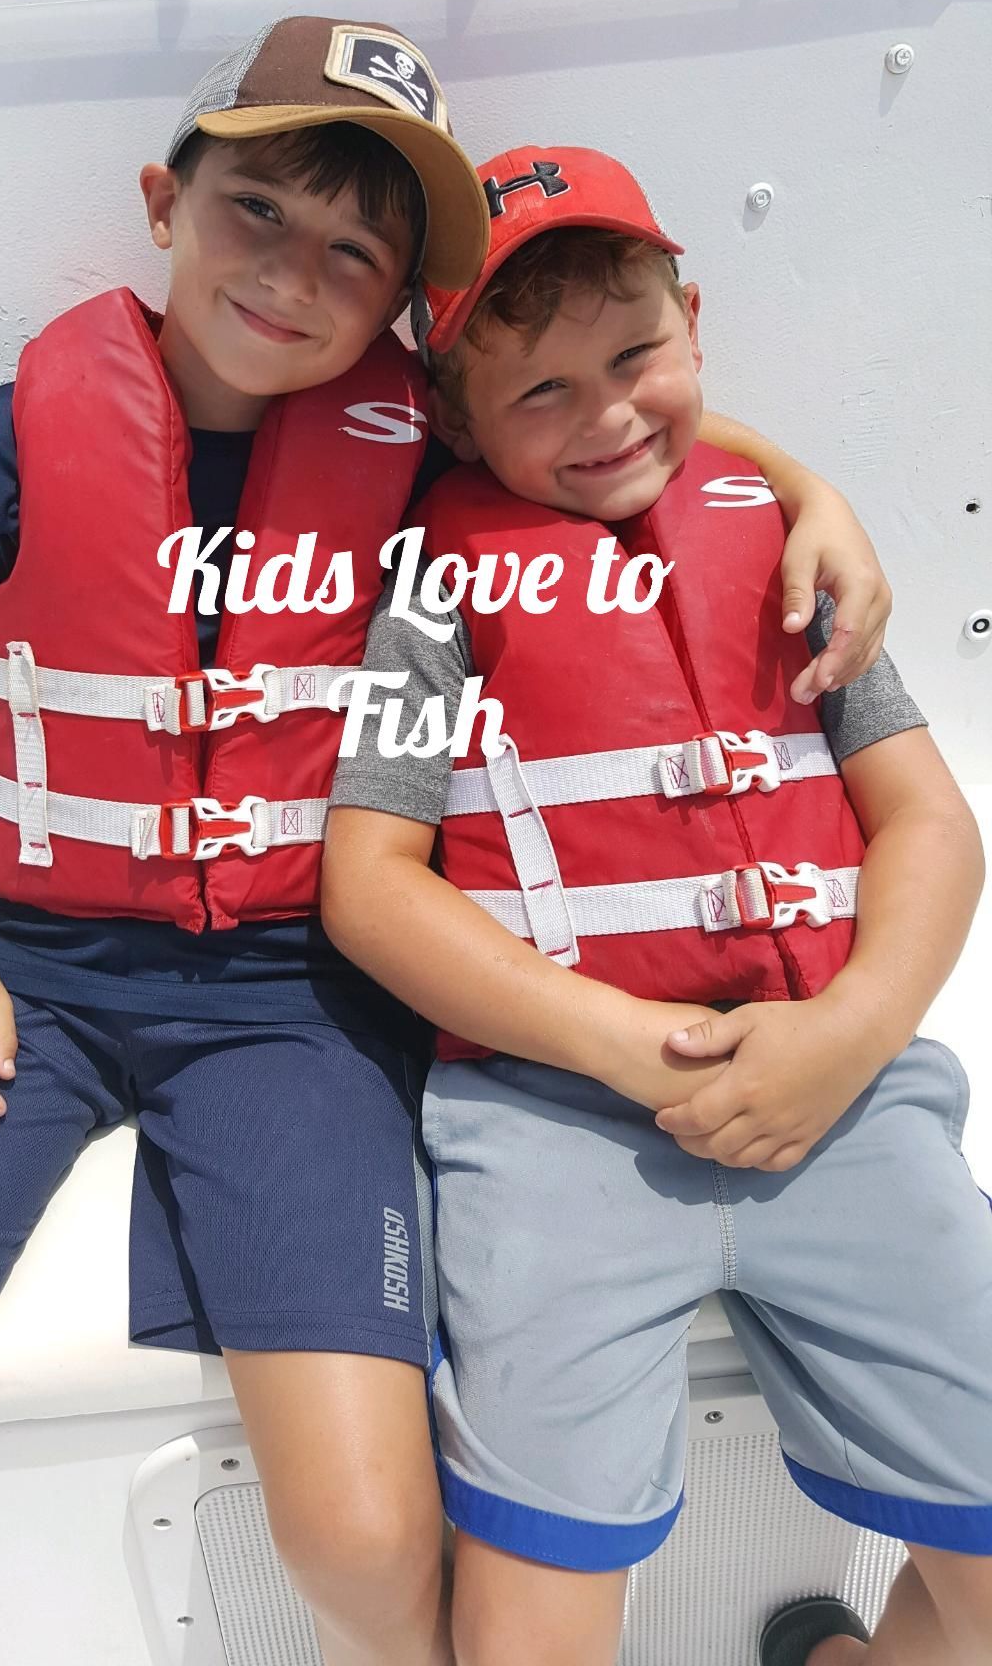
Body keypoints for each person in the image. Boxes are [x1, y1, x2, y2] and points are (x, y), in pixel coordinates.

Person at [0, 43, 890, 1666]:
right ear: (163, 205)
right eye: (254, 208)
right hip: (26, 985)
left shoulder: (413, 458)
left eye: (353, 253)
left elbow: (616, 429)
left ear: (401, 307)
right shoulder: (2, 443)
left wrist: (817, 492)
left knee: (368, 1533)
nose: (290, 272)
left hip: (293, 1007)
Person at [322, 146, 992, 1666]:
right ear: (452, 411)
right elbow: (370, 886)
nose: (609, 415)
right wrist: (623, 1047)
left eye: (636, 358)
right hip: (557, 1122)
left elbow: (931, 824)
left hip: (846, 1093)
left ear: (695, 319)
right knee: (526, 1632)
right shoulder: (437, 588)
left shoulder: (784, 541)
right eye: (538, 392)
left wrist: (854, 1031)